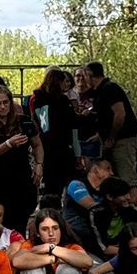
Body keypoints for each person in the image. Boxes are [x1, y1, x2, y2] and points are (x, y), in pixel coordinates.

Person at [0, 80, 39, 231]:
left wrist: (39, 165)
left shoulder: (23, 121)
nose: (2, 106)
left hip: (22, 181)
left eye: (5, 102)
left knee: (19, 225)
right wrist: (9, 144)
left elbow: (37, 145)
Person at [79, 62, 137, 184]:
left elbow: (119, 114)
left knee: (126, 178)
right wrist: (99, 136)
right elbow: (106, 118)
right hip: (109, 140)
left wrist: (111, 137)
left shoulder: (110, 88)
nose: (83, 80)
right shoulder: (99, 92)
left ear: (90, 75)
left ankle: (132, 202)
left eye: (84, 76)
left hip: (122, 139)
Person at [30, 67, 83, 202]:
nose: (67, 84)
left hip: (45, 147)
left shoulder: (37, 100)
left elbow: (38, 124)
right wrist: (77, 153)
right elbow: (73, 127)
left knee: (50, 187)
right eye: (63, 81)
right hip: (62, 149)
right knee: (68, 185)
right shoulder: (62, 102)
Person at [61, 157, 120, 253]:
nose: (112, 173)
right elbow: (92, 206)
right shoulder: (76, 184)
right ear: (96, 170)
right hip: (77, 233)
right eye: (108, 169)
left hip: (96, 234)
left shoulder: (104, 191)